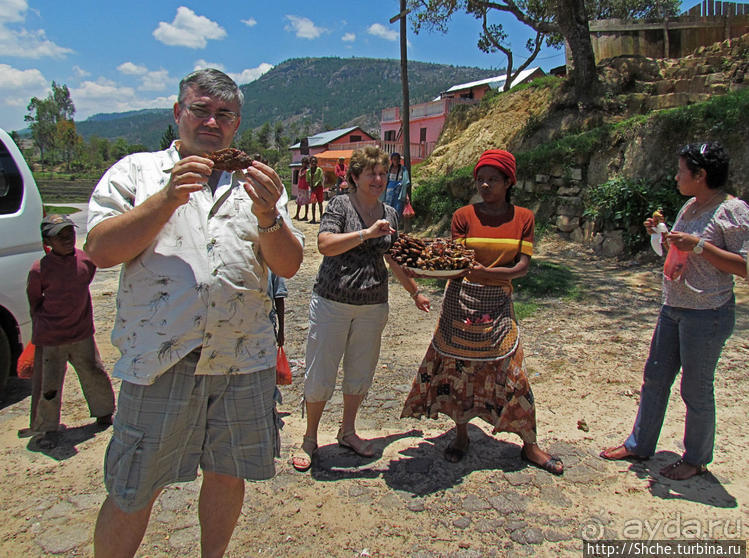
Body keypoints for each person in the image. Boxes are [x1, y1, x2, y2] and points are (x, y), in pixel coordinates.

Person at [85, 68, 304, 558]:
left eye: (223, 114)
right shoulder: (137, 172)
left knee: (227, 473)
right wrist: (165, 200)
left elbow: (288, 263)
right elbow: (99, 249)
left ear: (237, 125)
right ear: (177, 114)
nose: (211, 121)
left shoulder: (258, 183)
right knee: (133, 485)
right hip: (162, 361)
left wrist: (269, 216)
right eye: (200, 109)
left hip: (242, 358)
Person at [400, 149, 564, 475]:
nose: (485, 185)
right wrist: (426, 269)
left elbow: (522, 267)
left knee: (515, 375)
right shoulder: (463, 215)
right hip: (460, 302)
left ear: (508, 182)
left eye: (493, 179)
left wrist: (489, 273)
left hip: (499, 303)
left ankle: (530, 445)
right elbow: (456, 262)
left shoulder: (523, 218)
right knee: (458, 371)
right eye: (481, 179)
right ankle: (461, 436)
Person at [600, 141, 749, 480]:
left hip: (707, 314)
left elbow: (743, 267)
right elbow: (675, 255)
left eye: (682, 170)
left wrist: (700, 246)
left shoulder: (733, 211)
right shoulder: (690, 208)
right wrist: (661, 236)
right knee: (655, 378)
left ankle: (696, 459)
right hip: (674, 307)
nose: (676, 176)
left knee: (695, 388)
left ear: (701, 175)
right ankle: (640, 444)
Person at [292, 146, 430, 472]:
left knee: (360, 371)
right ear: (355, 176)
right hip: (332, 302)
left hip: (372, 305)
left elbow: (393, 258)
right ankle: (310, 439)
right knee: (321, 370)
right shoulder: (341, 205)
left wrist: (415, 292)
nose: (379, 179)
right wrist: (365, 233)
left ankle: (347, 431)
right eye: (371, 173)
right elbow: (324, 243)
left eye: (382, 173)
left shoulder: (390, 213)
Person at [22, 214, 115, 450]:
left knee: (93, 372)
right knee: (48, 385)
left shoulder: (85, 261)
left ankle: (104, 413)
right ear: (47, 242)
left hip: (82, 332)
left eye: (69, 233)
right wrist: (43, 326)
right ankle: (46, 428)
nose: (66, 239)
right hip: (51, 338)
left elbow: (84, 282)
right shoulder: (39, 269)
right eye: (59, 236)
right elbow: (35, 300)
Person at [307, 155, 324, 224]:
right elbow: (307, 180)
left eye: (314, 162)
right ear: (310, 163)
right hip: (313, 188)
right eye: (312, 162)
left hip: (319, 188)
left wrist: (315, 185)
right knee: (313, 203)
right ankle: (313, 218)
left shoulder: (319, 170)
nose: (313, 163)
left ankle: (321, 217)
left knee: (320, 203)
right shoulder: (308, 171)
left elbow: (320, 178)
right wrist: (311, 186)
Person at [293, 156, 310, 221]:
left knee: (306, 202)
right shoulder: (301, 170)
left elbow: (302, 176)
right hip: (300, 187)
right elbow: (300, 176)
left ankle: (306, 215)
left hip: (305, 187)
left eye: (305, 163)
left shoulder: (307, 170)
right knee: (299, 201)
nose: (304, 164)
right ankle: (297, 214)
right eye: (303, 163)